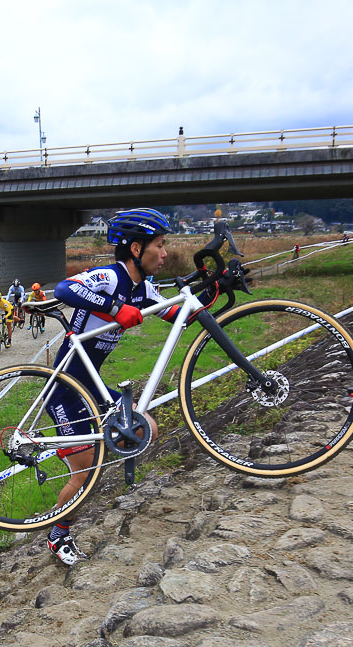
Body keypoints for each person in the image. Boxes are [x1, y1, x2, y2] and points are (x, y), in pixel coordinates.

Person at [45, 208, 218, 566]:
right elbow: (65, 288)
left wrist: (215, 286)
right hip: (66, 388)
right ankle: (57, 534)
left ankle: (101, 465)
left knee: (146, 428)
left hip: (92, 386)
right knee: (85, 474)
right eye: (160, 245)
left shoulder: (144, 289)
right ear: (137, 249)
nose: (166, 253)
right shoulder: (111, 277)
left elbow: (181, 314)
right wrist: (114, 306)